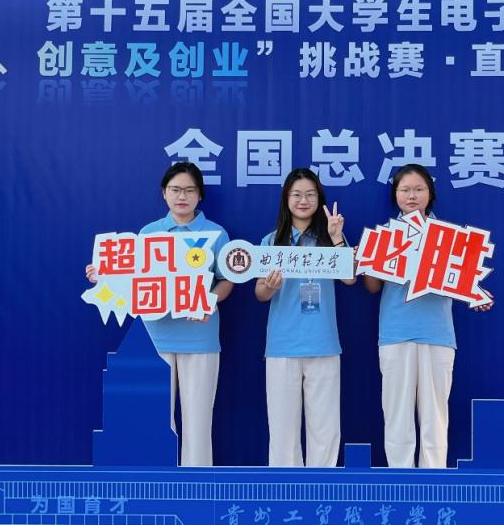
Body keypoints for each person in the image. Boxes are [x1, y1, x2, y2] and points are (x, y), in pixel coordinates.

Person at [86, 162, 233, 467]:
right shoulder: (149, 233)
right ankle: (161, 482)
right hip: (155, 338)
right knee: (157, 420)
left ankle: (197, 486)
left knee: (198, 422)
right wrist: (105, 277)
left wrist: (208, 301)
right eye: (175, 190)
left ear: (200, 195)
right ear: (164, 193)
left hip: (200, 338)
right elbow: (133, 280)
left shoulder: (216, 233)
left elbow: (227, 279)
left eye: (189, 190)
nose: (182, 196)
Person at [363, 163, 492, 468]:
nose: (412, 196)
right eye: (405, 189)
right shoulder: (385, 235)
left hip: (437, 334)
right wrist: (365, 262)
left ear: (430, 194)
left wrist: (477, 295)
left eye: (419, 189)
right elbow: (372, 287)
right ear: (395, 195)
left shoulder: (450, 238)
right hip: (395, 333)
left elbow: (464, 282)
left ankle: (433, 480)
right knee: (397, 414)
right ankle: (400, 479)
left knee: (435, 415)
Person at [254, 168, 355, 467]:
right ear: (286, 199)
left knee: (325, 428)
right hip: (282, 345)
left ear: (319, 199)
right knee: (282, 430)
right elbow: (260, 293)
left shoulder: (331, 238)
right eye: (296, 194)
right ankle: (285, 488)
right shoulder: (272, 240)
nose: (303, 201)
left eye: (310, 194)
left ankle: (321, 487)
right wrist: (270, 286)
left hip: (323, 343)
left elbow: (350, 279)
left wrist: (336, 238)